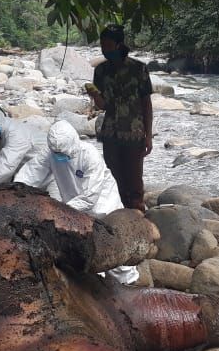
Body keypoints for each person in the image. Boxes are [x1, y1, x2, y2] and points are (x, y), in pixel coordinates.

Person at [15, 120, 139, 285]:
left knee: (115, 248)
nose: (59, 155)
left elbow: (90, 196)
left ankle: (129, 285)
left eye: (62, 152)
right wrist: (16, 190)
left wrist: (60, 210)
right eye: (56, 152)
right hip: (73, 208)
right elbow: (32, 172)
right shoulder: (51, 154)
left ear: (73, 142)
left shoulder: (89, 155)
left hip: (104, 207)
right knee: (86, 251)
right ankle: (97, 289)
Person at [85, 24, 153, 211]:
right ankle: (119, 215)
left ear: (119, 44)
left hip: (134, 132)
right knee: (113, 176)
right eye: (102, 45)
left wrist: (148, 135)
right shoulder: (101, 71)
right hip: (110, 132)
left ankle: (138, 215)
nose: (104, 49)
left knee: (134, 179)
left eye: (108, 45)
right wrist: (94, 95)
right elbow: (103, 105)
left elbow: (146, 104)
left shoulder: (139, 69)